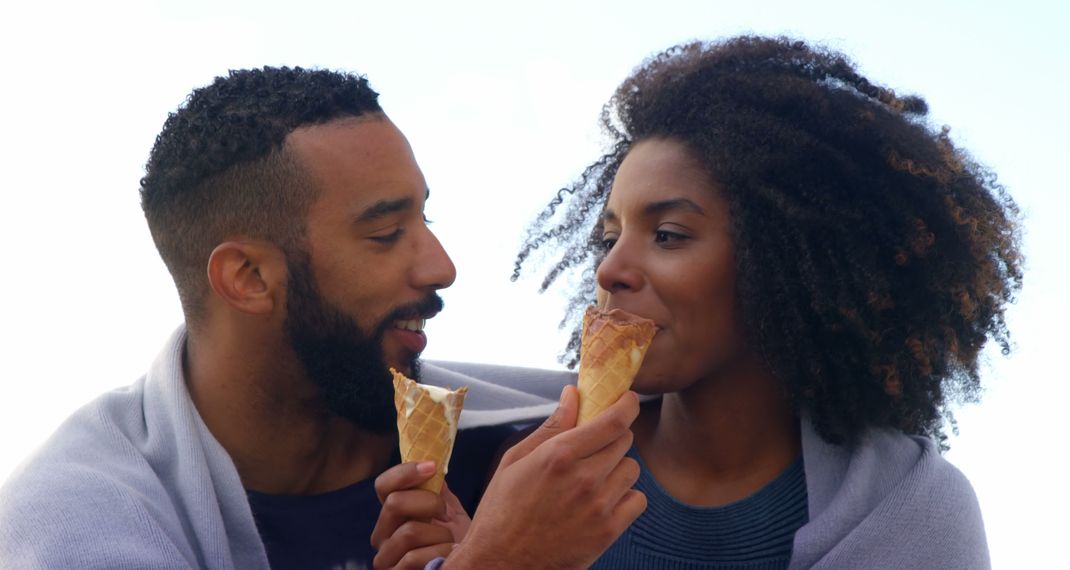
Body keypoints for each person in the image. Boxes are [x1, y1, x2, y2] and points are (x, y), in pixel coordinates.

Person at [0, 66, 644, 569]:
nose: (441, 267)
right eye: (387, 232)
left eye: (427, 218)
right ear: (248, 278)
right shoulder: (74, 522)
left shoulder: (543, 446)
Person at [510, 36, 1020, 568]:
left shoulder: (913, 512)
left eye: (667, 235)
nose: (609, 270)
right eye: (608, 239)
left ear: (785, 262)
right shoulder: (520, 472)